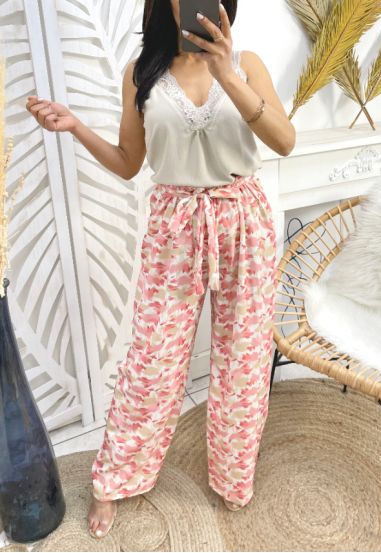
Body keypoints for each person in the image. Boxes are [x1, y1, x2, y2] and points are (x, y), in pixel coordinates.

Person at [26, 0, 295, 540]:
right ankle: (114, 479)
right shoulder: (141, 72)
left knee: (243, 362)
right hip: (175, 226)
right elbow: (129, 163)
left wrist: (226, 73)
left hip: (243, 220)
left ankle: (233, 476)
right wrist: (76, 127)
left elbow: (284, 142)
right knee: (152, 361)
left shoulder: (246, 62)